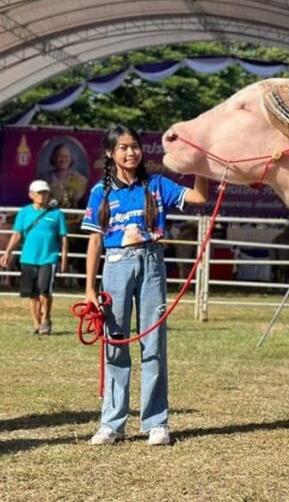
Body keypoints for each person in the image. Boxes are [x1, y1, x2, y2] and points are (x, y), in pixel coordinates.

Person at [82, 124, 208, 446]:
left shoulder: (157, 185)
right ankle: (112, 424)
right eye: (123, 147)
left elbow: (199, 196)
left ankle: (156, 423)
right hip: (115, 266)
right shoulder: (101, 193)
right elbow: (95, 241)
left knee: (153, 345)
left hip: (152, 265)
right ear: (111, 153)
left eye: (135, 146)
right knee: (116, 343)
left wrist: (200, 165)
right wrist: (90, 288)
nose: (130, 152)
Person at [0, 180, 68, 335]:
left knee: (45, 291)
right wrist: (8, 251)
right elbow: (17, 234)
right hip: (28, 258)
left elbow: (63, 238)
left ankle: (46, 319)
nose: (42, 196)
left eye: (45, 192)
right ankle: (37, 323)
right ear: (31, 195)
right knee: (32, 293)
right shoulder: (24, 212)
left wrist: (64, 259)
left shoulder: (57, 214)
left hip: (48, 258)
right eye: (39, 193)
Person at [39, 142, 89, 209]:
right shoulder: (43, 179)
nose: (63, 160)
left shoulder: (80, 179)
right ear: (53, 158)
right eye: (60, 156)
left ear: (71, 158)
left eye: (66, 156)